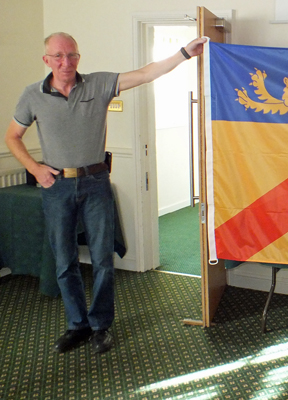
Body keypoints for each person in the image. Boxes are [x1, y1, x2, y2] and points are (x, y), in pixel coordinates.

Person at [4, 32, 207, 354]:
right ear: (46, 60)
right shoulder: (32, 96)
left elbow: (145, 73)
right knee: (64, 261)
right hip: (56, 187)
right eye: (58, 56)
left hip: (96, 183)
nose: (65, 62)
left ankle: (100, 326)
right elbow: (13, 136)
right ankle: (77, 326)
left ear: (78, 57)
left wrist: (184, 53)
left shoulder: (98, 85)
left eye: (71, 55)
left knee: (102, 260)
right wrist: (34, 167)